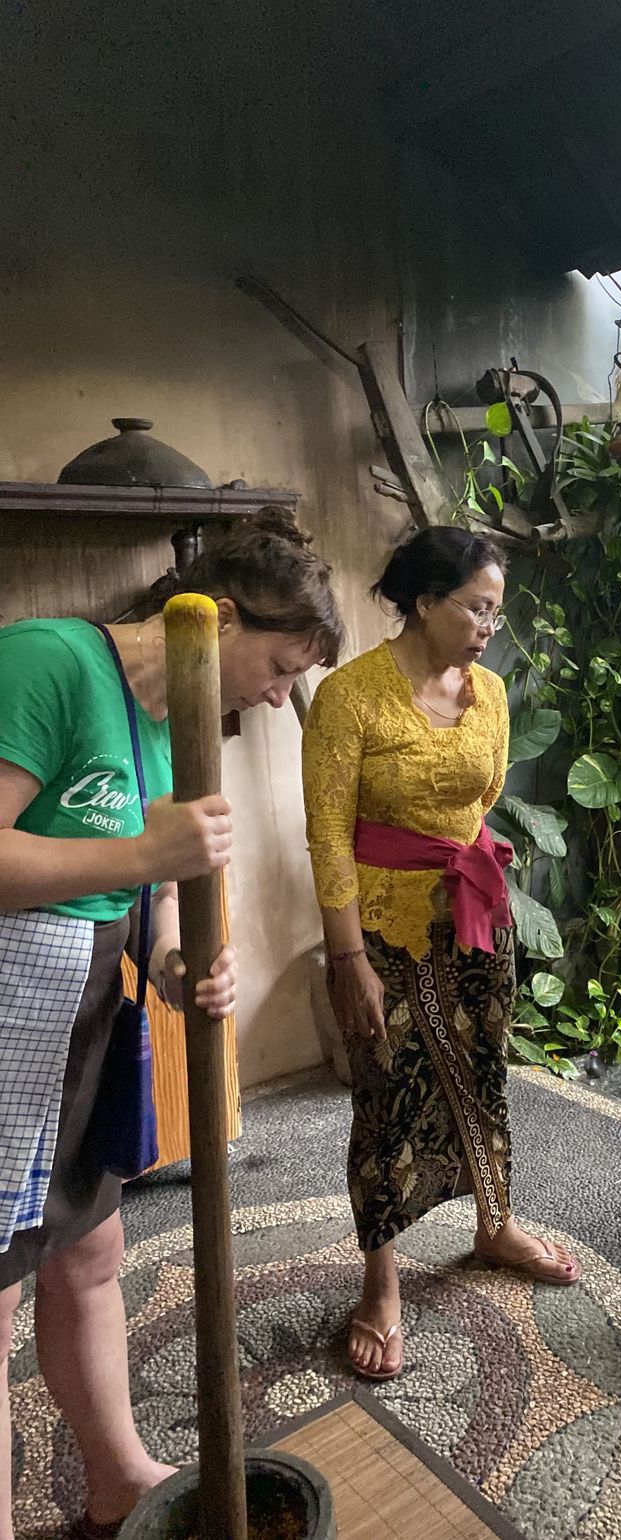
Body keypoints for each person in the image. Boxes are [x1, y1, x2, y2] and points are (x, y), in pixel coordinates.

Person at [0, 509, 343, 1540]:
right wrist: (150, 858)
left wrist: (176, 958)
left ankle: (116, 1479)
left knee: (88, 1252)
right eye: (279, 669)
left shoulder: (164, 723)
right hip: (9, 1015)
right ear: (218, 618)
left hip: (80, 1022)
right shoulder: (48, 661)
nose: (277, 697)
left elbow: (145, 895)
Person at [302, 525, 580, 1385]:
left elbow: (484, 797)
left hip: (473, 916)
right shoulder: (349, 697)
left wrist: (465, 872)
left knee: (483, 1071)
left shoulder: (488, 692)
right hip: (382, 932)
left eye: (497, 611)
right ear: (424, 602)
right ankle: (380, 1281)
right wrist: (346, 960)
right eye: (476, 609)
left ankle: (493, 1225)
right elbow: (328, 837)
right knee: (387, 1095)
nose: (490, 627)